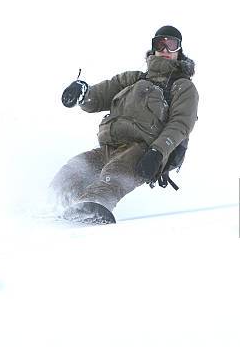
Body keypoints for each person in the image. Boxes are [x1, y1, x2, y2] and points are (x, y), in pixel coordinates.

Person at [50, 26, 199, 225]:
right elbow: (98, 96)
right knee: (73, 170)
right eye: (159, 44)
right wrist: (82, 94)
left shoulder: (182, 87)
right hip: (111, 147)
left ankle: (91, 208)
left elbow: (180, 124)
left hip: (144, 150)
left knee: (114, 174)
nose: (165, 49)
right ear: (153, 48)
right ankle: (54, 208)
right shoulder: (133, 79)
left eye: (171, 45)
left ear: (179, 50)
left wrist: (157, 152)